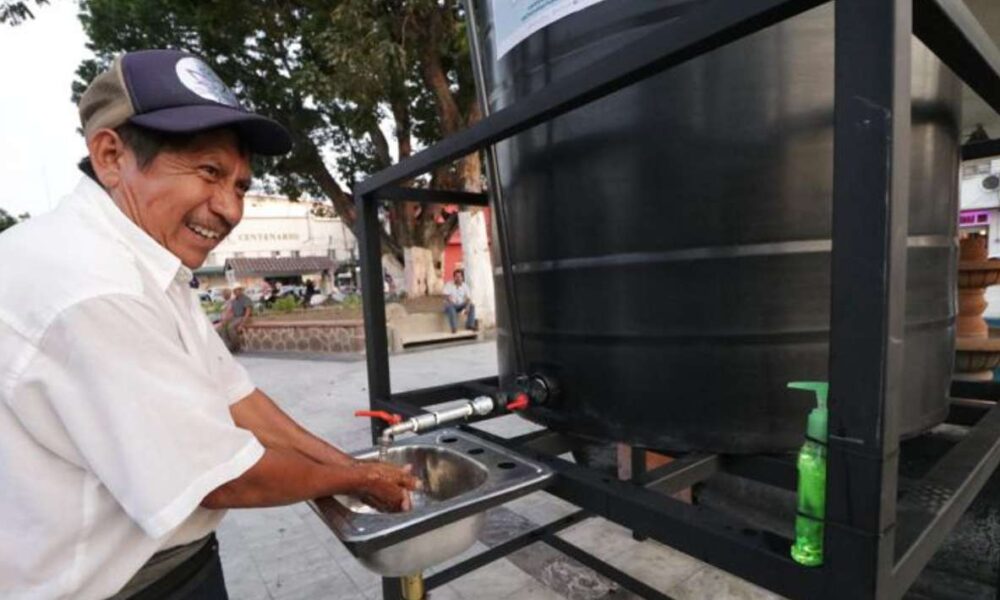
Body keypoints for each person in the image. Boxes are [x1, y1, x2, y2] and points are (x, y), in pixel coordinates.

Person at [0, 49, 418, 600]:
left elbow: (236, 398)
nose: (229, 209)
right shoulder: (89, 283)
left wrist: (343, 465)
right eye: (208, 172)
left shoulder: (143, 260)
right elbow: (223, 476)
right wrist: (357, 479)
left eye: (241, 185)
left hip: (171, 568)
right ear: (110, 155)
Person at [442, 268, 477, 333]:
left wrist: (467, 306)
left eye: (460, 276)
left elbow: (468, 298)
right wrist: (449, 299)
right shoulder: (449, 284)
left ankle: (470, 325)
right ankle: (454, 328)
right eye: (456, 276)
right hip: (450, 305)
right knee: (450, 307)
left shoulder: (465, 286)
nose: (458, 278)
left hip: (460, 305)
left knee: (472, 306)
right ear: (454, 277)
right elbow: (445, 295)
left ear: (462, 278)